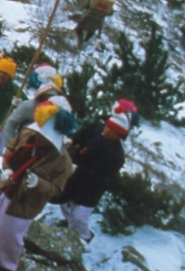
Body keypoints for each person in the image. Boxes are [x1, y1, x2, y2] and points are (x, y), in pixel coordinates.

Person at [0, 98, 74, 271]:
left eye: (43, 136)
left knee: (9, 233)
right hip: (8, 188)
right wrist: (7, 167)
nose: (38, 137)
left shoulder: (62, 161)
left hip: (26, 202)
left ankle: (8, 266)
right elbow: (10, 149)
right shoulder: (27, 135)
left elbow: (57, 189)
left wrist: (38, 184)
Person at [57, 101, 133, 243]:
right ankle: (69, 225)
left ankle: (85, 236)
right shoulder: (96, 128)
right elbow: (80, 135)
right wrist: (71, 141)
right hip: (74, 178)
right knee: (65, 204)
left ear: (119, 136)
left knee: (79, 215)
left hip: (91, 188)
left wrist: (78, 169)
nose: (108, 131)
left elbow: (100, 176)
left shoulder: (116, 156)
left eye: (113, 131)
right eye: (108, 127)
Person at [0, 66, 64, 146]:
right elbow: (11, 123)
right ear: (42, 95)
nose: (49, 99)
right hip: (22, 146)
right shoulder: (29, 106)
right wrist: (10, 145)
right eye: (47, 96)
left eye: (53, 97)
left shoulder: (58, 111)